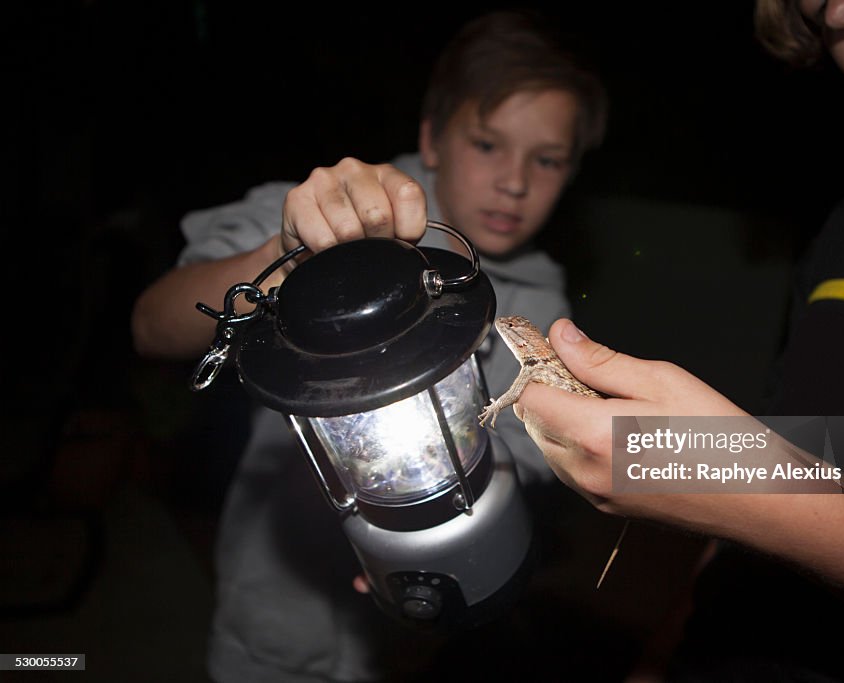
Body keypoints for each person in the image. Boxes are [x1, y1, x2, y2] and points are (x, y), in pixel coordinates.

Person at [509, 1, 844, 681]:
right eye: (812, 5)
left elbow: (776, 484)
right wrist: (660, 654)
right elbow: (818, 452)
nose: (839, 11)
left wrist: (765, 488)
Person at [131, 10, 606, 682]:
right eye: (487, 143)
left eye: (548, 158)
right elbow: (151, 327)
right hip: (268, 620)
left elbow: (529, 474)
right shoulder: (323, 214)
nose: (515, 181)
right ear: (432, 137)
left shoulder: (540, 311)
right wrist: (287, 263)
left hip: (414, 643)